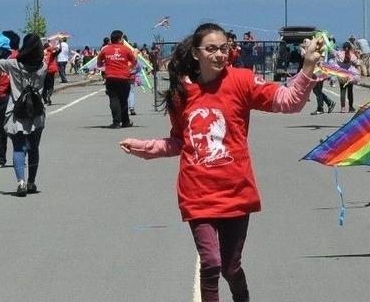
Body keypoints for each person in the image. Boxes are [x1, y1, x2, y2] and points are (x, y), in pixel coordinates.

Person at [118, 23, 321, 302]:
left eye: (224, 48)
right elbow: (179, 141)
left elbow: (290, 101)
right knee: (211, 264)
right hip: (197, 193)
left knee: (230, 267)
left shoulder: (242, 80)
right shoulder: (181, 94)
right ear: (195, 53)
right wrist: (146, 148)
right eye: (211, 49)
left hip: (236, 192)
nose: (219, 55)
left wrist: (307, 67)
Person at [0, 34, 47, 196]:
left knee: (18, 148)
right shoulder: (43, 66)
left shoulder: (13, 65)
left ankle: (21, 182)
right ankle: (32, 181)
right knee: (34, 148)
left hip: (17, 112)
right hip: (36, 113)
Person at [97, 30, 136, 128]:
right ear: (119, 39)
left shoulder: (105, 49)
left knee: (114, 99)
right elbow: (134, 61)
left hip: (111, 77)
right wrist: (129, 66)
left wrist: (102, 66)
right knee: (123, 100)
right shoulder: (126, 49)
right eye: (122, 38)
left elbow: (99, 60)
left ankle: (116, 122)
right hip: (124, 77)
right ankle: (125, 121)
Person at [0, 34, 20, 168]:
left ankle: (0, 159)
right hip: (18, 96)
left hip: (4, 95)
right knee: (19, 128)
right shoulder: (20, 56)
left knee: (1, 129)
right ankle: (20, 156)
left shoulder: (4, 58)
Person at [335, 42, 361, 112]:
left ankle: (343, 108)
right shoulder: (352, 55)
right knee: (350, 91)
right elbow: (357, 63)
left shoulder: (339, 54)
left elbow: (336, 62)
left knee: (342, 91)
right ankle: (351, 107)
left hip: (341, 74)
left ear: (343, 47)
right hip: (350, 74)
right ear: (350, 48)